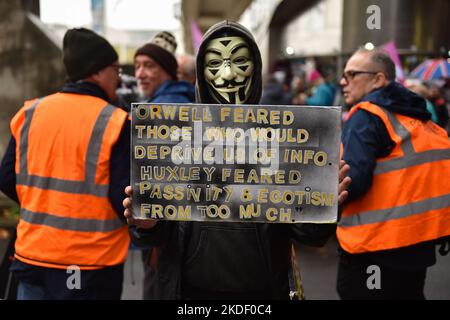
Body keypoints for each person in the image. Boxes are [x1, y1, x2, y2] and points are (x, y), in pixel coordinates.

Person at [123, 20, 351, 300]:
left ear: (255, 67)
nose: (228, 75)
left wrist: (324, 206)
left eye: (240, 61)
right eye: (216, 64)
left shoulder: (281, 139)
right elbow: (159, 235)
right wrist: (148, 224)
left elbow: (309, 235)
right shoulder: (175, 136)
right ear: (200, 72)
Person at [0, 28, 131, 300]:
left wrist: (42, 204)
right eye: (115, 71)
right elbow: (124, 198)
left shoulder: (30, 113)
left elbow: (6, 179)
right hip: (89, 266)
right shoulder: (116, 122)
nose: (117, 80)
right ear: (96, 71)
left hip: (32, 256)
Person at [337, 48, 450, 300]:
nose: (344, 81)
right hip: (417, 247)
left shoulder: (365, 115)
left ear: (378, 79)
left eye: (352, 74)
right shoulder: (417, 116)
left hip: (372, 249)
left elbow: (352, 183)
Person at [134, 31, 195, 104]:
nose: (140, 75)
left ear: (168, 71)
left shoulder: (167, 106)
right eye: (137, 66)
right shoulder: (159, 101)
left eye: (149, 66)